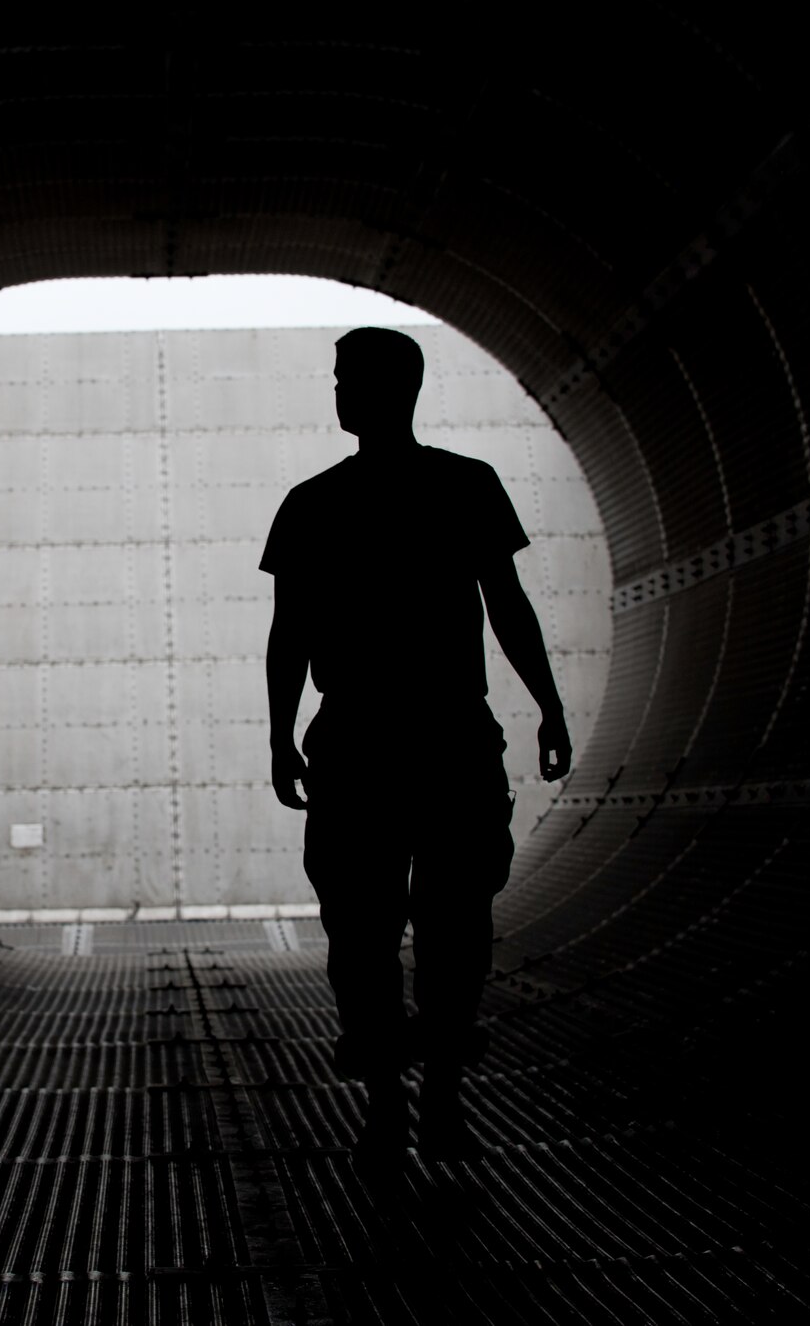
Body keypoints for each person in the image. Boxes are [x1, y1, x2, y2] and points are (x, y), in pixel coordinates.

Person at [260, 327, 572, 1157]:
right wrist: (548, 705)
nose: (336, 392)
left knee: (361, 929)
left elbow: (290, 633)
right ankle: (438, 1102)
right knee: (456, 921)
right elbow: (506, 606)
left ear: (384, 388)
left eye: (344, 379)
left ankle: (390, 1107)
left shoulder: (313, 503)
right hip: (451, 738)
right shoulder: (465, 485)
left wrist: (281, 735)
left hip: (358, 742)